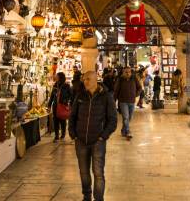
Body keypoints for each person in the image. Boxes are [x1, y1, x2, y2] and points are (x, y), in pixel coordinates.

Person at [69, 71, 117, 201]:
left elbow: (113, 119)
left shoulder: (106, 97)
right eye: (84, 79)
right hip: (81, 141)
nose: (85, 82)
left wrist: (103, 136)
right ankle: (86, 195)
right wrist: (73, 134)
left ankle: (99, 198)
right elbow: (72, 116)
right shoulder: (80, 96)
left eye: (88, 79)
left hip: (98, 141)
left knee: (98, 173)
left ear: (96, 80)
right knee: (84, 172)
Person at [113, 66, 142, 139]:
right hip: (123, 101)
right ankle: (128, 131)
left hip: (132, 101)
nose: (127, 73)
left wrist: (136, 94)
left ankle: (123, 130)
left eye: (129, 72)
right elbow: (116, 90)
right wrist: (114, 100)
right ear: (123, 72)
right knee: (126, 117)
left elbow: (140, 88)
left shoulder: (134, 78)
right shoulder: (120, 79)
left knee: (130, 117)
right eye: (126, 72)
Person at [48, 72, 73, 141]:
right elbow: (52, 96)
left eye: (57, 76)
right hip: (55, 105)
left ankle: (63, 133)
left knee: (62, 120)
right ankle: (56, 135)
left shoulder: (66, 86)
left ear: (60, 77)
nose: (55, 77)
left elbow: (71, 95)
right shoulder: (55, 85)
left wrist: (66, 101)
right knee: (55, 120)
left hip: (63, 105)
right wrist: (49, 105)